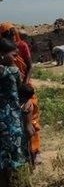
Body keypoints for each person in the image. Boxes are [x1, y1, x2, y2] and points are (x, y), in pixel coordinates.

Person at [0, 39, 33, 187]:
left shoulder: (12, 71)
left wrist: (28, 102)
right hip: (10, 123)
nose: (15, 59)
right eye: (13, 55)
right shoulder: (11, 71)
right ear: (2, 54)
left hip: (12, 123)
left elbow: (22, 93)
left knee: (13, 158)